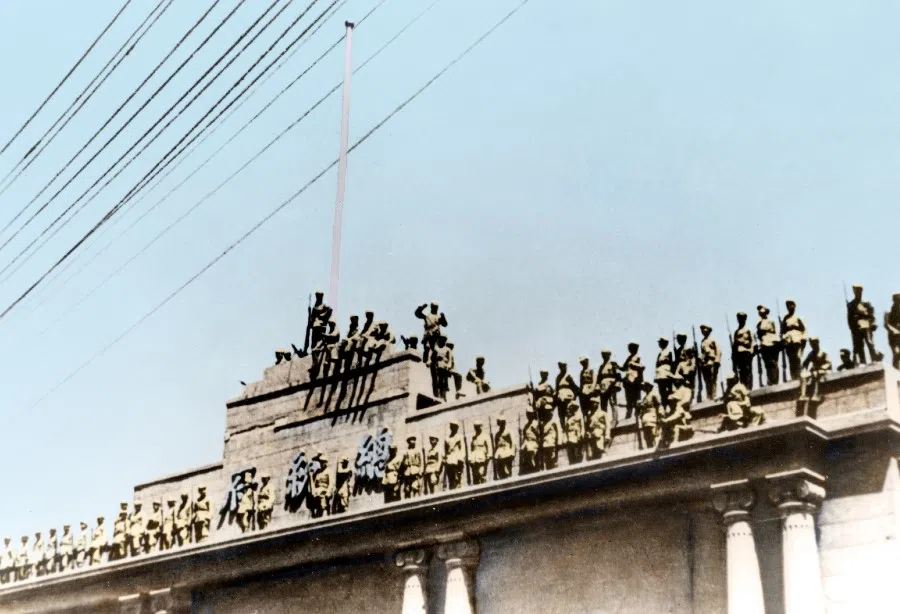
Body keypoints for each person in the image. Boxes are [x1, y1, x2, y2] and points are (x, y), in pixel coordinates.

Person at [846, 284, 883, 364]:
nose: (858, 293)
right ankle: (863, 362)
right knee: (859, 346)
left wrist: (872, 323)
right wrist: (852, 327)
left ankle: (874, 360)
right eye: (856, 291)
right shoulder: (851, 305)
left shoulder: (866, 303)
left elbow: (872, 315)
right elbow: (849, 318)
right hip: (857, 327)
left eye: (859, 291)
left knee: (870, 343)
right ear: (854, 292)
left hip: (866, 325)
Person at [799, 337, 832, 405]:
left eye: (814, 343)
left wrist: (821, 368)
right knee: (803, 376)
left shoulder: (823, 352)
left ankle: (815, 394)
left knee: (816, 374)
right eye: (811, 344)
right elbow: (805, 363)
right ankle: (803, 395)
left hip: (824, 371)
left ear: (817, 343)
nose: (813, 345)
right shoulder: (811, 354)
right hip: (814, 370)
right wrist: (804, 369)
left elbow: (829, 363)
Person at [781, 299, 808, 380]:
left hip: (797, 339)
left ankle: (799, 376)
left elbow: (804, 329)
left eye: (791, 305)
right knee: (791, 359)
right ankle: (793, 377)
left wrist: (803, 340)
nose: (789, 307)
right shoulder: (785, 318)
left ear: (794, 306)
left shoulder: (798, 317)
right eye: (788, 306)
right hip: (789, 341)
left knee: (797, 358)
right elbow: (782, 330)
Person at [756, 305, 781, 385]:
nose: (761, 313)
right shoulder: (759, 324)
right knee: (767, 363)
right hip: (764, 343)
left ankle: (775, 380)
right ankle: (770, 380)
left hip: (772, 342)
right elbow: (759, 335)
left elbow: (774, 332)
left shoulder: (771, 321)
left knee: (774, 362)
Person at [619, 342, 644, 420]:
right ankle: (629, 414)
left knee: (636, 398)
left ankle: (638, 414)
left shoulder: (638, 357)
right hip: (629, 380)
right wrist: (617, 366)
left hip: (636, 380)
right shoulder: (629, 357)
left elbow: (641, 368)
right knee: (629, 398)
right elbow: (624, 368)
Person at [732, 312, 756, 390]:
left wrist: (751, 351)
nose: (740, 320)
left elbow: (752, 341)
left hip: (746, 352)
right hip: (739, 354)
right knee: (741, 372)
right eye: (739, 318)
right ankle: (744, 388)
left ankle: (749, 387)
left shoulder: (748, 330)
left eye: (742, 318)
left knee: (747, 370)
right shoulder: (736, 332)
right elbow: (734, 345)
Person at [597, 350, 621, 425]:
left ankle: (615, 419)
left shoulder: (613, 364)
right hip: (603, 386)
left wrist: (616, 385)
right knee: (603, 404)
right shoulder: (601, 366)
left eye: (606, 354)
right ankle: (604, 421)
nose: (604, 356)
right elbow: (599, 378)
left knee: (613, 402)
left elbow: (618, 376)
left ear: (609, 355)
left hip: (611, 385)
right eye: (603, 355)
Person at [699, 325, 721, 401]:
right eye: (702, 330)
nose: (703, 331)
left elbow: (718, 351)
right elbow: (702, 352)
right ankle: (709, 396)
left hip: (712, 361)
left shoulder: (712, 340)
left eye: (704, 329)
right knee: (707, 380)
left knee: (713, 379)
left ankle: (713, 395)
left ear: (708, 330)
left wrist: (717, 361)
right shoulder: (702, 341)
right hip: (705, 363)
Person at [638, 381, 662, 449]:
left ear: (649, 386)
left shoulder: (654, 394)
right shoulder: (645, 397)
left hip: (652, 416)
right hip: (645, 418)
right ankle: (650, 448)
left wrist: (659, 416)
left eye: (645, 386)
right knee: (647, 436)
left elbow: (658, 405)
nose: (644, 388)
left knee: (654, 433)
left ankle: (657, 448)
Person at [654, 337, 675, 408]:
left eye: (661, 342)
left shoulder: (668, 352)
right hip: (660, 373)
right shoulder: (660, 353)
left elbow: (671, 362)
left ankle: (670, 405)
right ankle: (664, 405)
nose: (659, 344)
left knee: (668, 390)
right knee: (661, 391)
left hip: (666, 372)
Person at [444, 421, 465, 489]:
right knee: (451, 478)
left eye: (455, 427)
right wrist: (446, 458)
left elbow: (462, 448)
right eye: (452, 426)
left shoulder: (460, 437)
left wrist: (461, 458)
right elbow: (446, 451)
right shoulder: (447, 438)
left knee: (458, 476)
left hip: (458, 458)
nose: (453, 428)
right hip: (450, 459)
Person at [520, 407, 540, 474]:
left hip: (534, 442)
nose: (528, 416)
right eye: (527, 414)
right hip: (527, 442)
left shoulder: (536, 423)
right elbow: (525, 436)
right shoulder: (526, 425)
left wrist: (535, 431)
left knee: (530, 450)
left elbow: (540, 434)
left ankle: (533, 464)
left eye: (530, 414)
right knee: (523, 449)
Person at [885, 293, 900, 369]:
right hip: (893, 338)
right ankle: (896, 373)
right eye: (897, 301)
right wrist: (894, 330)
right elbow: (886, 324)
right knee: (896, 353)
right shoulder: (888, 312)